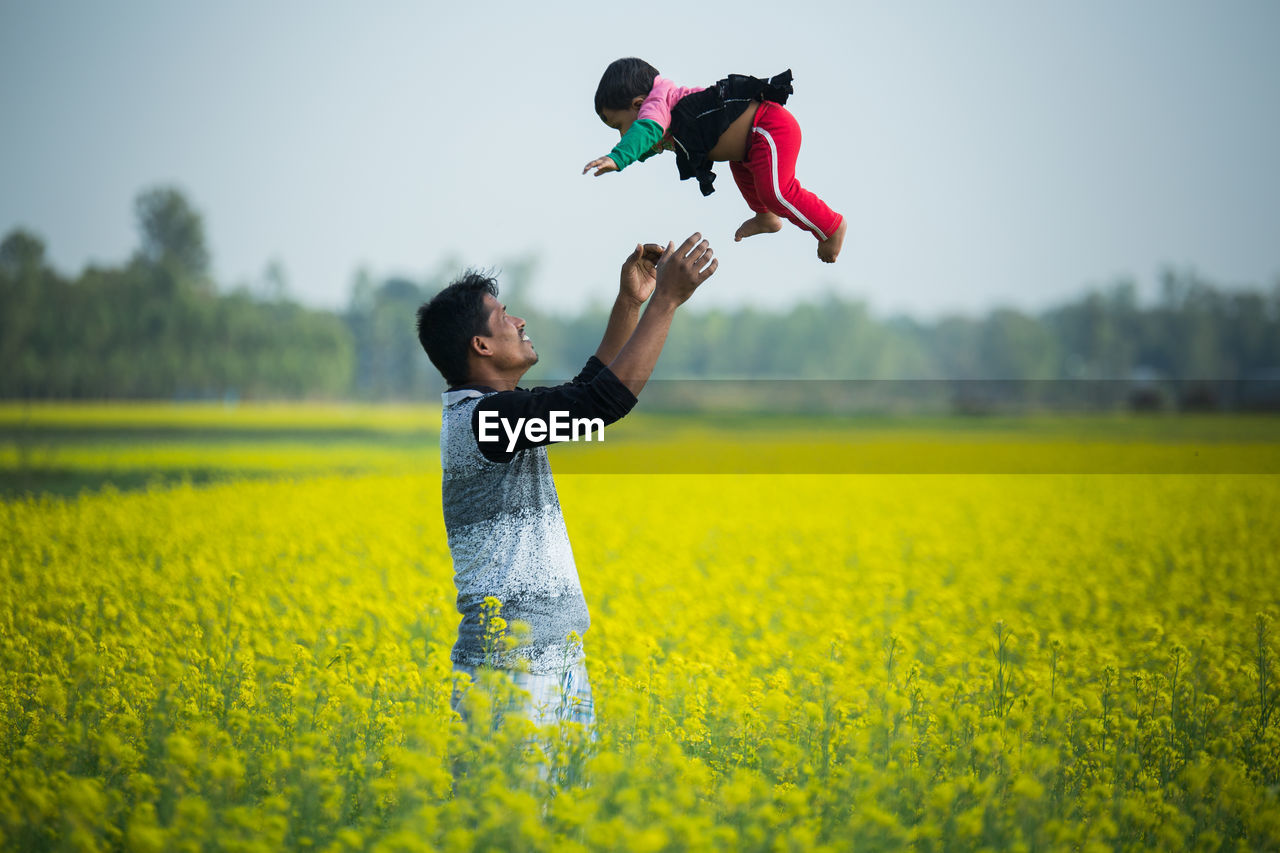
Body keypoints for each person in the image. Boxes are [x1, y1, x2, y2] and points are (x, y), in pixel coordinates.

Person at [415, 233, 718, 733]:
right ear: (481, 345)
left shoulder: (496, 417)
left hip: (556, 664)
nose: (520, 321)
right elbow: (603, 404)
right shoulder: (484, 423)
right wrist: (666, 302)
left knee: (565, 812)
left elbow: (586, 393)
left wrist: (631, 302)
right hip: (509, 672)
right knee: (511, 813)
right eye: (504, 316)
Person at [582, 57, 847, 264]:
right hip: (746, 149)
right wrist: (635, 152)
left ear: (639, 104)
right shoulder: (663, 111)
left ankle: (830, 226)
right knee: (744, 174)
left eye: (619, 126)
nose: (622, 134)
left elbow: (646, 132)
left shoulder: (655, 107)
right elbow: (649, 143)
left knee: (776, 192)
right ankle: (766, 218)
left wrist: (617, 157)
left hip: (768, 127)